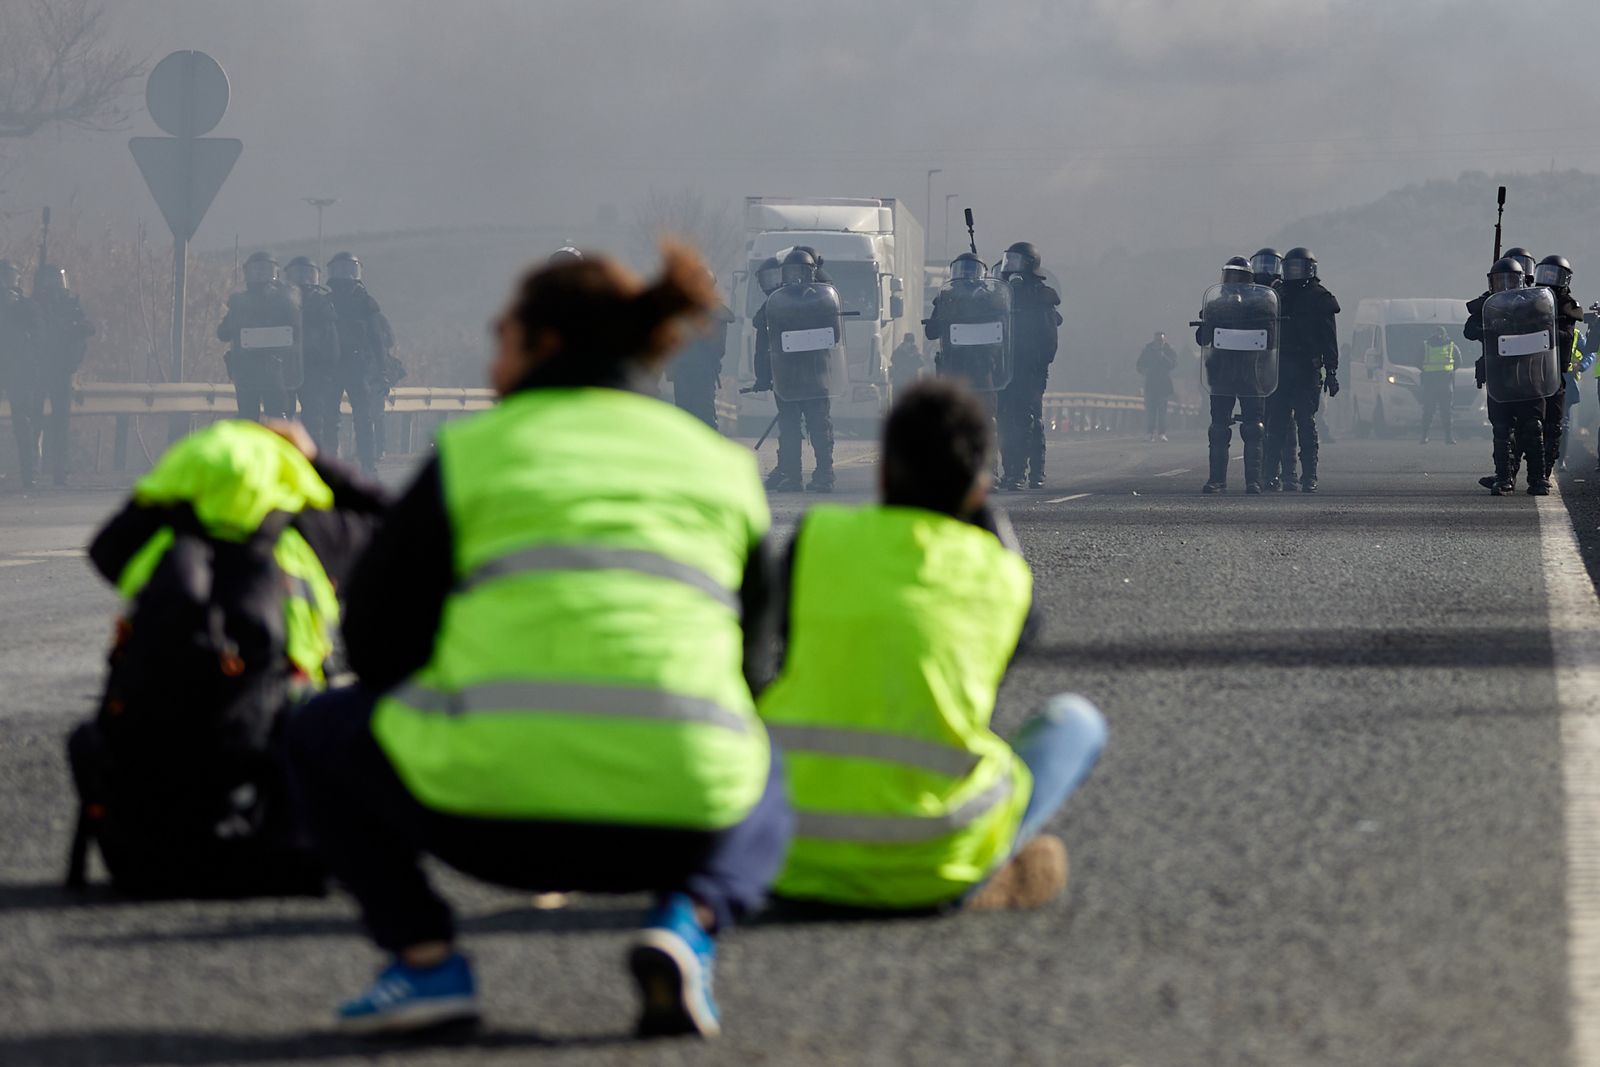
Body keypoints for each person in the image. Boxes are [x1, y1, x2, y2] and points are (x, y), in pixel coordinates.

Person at [286, 244, 792, 1038]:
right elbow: (758, 668)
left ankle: (425, 962)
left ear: (545, 345)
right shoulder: (725, 467)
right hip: (675, 819)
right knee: (760, 752)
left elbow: (376, 643)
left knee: (315, 727)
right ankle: (689, 921)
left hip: (483, 818)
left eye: (502, 334)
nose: (493, 357)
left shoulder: (474, 452)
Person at [758, 379, 1105, 911]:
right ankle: (983, 873)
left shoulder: (816, 537)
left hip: (783, 851)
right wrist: (994, 532)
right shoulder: (1001, 575)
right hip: (932, 857)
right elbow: (1003, 656)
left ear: (881, 472)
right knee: (1075, 721)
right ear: (978, 490)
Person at [66, 419, 384, 896]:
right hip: (284, 858)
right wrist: (317, 462)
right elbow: (395, 517)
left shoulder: (155, 535)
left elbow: (103, 548)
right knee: (360, 714)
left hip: (148, 863)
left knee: (90, 735)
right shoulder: (313, 533)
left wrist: (170, 485)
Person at [754, 248, 837, 492]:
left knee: (819, 427)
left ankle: (824, 475)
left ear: (812, 273)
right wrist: (763, 375)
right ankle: (792, 475)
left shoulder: (822, 299)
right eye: (790, 272)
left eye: (801, 271)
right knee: (789, 429)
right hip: (788, 375)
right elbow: (763, 333)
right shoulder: (778, 300)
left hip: (814, 374)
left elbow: (835, 334)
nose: (796, 277)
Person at [1469, 257, 1548, 495]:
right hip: (1499, 376)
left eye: (1511, 279)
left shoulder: (1533, 302)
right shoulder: (1487, 305)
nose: (1505, 284)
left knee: (1533, 427)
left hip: (1529, 375)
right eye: (1500, 280)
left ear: (1522, 280)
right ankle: (1504, 478)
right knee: (1502, 428)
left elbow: (1548, 324)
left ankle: (1538, 479)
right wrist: (1488, 324)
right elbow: (1468, 330)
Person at [1198, 258, 1274, 494]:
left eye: (1238, 277)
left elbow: (1270, 339)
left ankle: (1254, 480)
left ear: (1249, 281)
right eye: (1229, 277)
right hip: (1223, 373)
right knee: (1219, 427)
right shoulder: (1215, 307)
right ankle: (1217, 479)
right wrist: (1211, 318)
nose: (1233, 283)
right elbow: (1202, 338)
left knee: (1254, 428)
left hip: (1251, 373)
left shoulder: (1262, 308)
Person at [1267, 247, 1340, 493]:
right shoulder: (1276, 295)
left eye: (1298, 267)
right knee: (1275, 424)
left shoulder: (1320, 298)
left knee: (1306, 423)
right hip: (1279, 367)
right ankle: (1270, 475)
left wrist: (1331, 372)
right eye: (1290, 268)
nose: (1294, 272)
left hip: (1307, 368)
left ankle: (1309, 475)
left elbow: (1329, 338)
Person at [995, 242, 1061, 490]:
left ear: (1030, 265)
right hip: (1004, 366)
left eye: (1016, 262)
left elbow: (1049, 337)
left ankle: (1030, 472)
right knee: (1004, 419)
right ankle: (1011, 470)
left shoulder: (1040, 295)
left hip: (1030, 368)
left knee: (1028, 418)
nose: (1010, 267)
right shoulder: (1000, 293)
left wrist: (1040, 364)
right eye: (1008, 261)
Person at [325, 252, 389, 475]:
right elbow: (377, 339)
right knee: (332, 418)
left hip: (355, 367)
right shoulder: (326, 302)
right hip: (335, 368)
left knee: (362, 417)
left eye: (348, 270)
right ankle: (336, 462)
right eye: (340, 270)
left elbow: (376, 338)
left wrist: (382, 369)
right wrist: (382, 369)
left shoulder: (365, 303)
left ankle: (367, 463)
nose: (344, 276)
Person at [30, 264, 94, 486]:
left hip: (60, 369)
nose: (57, 286)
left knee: (57, 421)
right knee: (37, 420)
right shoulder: (36, 306)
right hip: (40, 369)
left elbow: (88, 327)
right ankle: (36, 467)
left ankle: (56, 468)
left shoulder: (68, 305)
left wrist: (73, 328)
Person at [218, 252, 300, 423]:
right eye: (257, 270)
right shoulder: (243, 302)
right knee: (269, 417)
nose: (261, 275)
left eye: (265, 270)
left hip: (261, 370)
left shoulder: (283, 301)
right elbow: (224, 333)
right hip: (259, 371)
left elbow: (297, 333)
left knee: (264, 417)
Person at [284, 257, 342, 454]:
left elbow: (331, 339)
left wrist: (329, 369)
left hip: (314, 370)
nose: (303, 279)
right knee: (284, 415)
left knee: (313, 418)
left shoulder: (322, 303)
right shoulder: (281, 301)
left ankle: (312, 458)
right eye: (297, 273)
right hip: (287, 368)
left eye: (307, 273)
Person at [1250, 249, 1296, 491]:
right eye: (1261, 264)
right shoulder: (1248, 294)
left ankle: (1289, 473)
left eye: (1271, 264)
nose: (1265, 270)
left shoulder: (1288, 293)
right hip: (1256, 366)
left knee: (1284, 422)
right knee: (1261, 423)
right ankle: (1266, 473)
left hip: (1281, 365)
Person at [1534, 254, 1584, 478]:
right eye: (1545, 273)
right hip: (1531, 371)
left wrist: (1545, 329)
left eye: (1554, 274)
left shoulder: (1567, 305)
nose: (1549, 279)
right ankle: (1510, 473)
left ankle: (1544, 472)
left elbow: (1567, 334)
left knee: (1555, 424)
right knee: (1527, 423)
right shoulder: (1530, 299)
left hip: (1555, 373)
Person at [668, 270, 733, 430]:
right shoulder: (684, 310)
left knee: (690, 416)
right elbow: (719, 349)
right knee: (700, 415)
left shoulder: (681, 310)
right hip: (695, 371)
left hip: (692, 371)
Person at [0, 259, 42, 488]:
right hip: (10, 367)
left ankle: (30, 473)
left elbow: (37, 329)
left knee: (23, 422)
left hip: (18, 369)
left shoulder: (25, 306)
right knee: (22, 421)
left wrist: (17, 306)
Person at [1418, 325, 1459, 445]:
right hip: (1444, 382)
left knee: (1431, 411)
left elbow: (1417, 361)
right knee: (1444, 411)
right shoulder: (1451, 346)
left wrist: (1426, 370)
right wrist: (1449, 371)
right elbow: (1458, 361)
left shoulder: (1425, 346)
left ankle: (1426, 437)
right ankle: (1447, 438)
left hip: (1433, 382)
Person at [1136, 331, 1178, 441]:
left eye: (1161, 340)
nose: (1159, 343)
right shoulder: (1148, 350)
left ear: (1164, 340)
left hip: (1163, 385)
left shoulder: (1169, 350)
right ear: (1154, 340)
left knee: (1162, 411)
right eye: (1157, 340)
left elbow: (1173, 364)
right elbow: (1139, 364)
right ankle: (1150, 433)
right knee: (1151, 411)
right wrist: (1144, 371)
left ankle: (1162, 433)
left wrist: (1163, 356)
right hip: (1151, 384)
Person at [889, 331, 925, 401]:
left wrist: (916, 354)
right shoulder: (899, 351)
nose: (909, 344)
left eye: (911, 341)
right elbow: (893, 359)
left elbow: (921, 363)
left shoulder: (915, 352)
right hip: (899, 382)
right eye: (908, 341)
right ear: (904, 341)